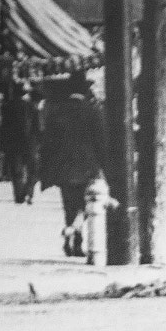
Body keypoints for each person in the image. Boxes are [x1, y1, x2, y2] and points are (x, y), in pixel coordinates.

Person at [40, 75, 105, 257]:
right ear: (85, 91)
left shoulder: (57, 111)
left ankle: (70, 236)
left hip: (63, 166)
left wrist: (46, 171)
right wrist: (105, 167)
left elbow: (47, 143)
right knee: (85, 205)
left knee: (69, 205)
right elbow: (100, 142)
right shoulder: (93, 111)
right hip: (87, 166)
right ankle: (76, 238)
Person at [3, 81, 39, 205]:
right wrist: (38, 142)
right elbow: (38, 126)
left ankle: (19, 195)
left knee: (16, 170)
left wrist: (4, 143)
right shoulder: (32, 106)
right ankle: (29, 193)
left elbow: (4, 127)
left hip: (14, 144)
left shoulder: (8, 106)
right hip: (30, 143)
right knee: (32, 170)